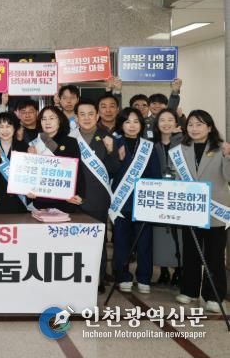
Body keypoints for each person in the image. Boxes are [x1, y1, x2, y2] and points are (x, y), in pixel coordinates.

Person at [174, 110, 230, 313]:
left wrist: (228, 157)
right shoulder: (180, 149)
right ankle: (189, 291)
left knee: (214, 255)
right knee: (191, 252)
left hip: (216, 210)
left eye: (199, 124)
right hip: (190, 210)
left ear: (209, 127)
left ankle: (213, 296)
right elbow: (177, 178)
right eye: (190, 124)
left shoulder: (221, 148)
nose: (194, 129)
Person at [111, 107, 161, 294]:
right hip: (120, 202)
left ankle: (144, 277)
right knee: (121, 242)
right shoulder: (114, 144)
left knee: (144, 243)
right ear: (121, 125)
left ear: (141, 125)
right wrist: (117, 159)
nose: (131, 126)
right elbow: (109, 172)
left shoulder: (148, 147)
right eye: (127, 122)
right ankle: (123, 276)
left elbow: (155, 175)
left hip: (143, 203)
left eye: (135, 122)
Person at [72, 100, 121, 292]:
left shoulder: (108, 138)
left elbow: (114, 169)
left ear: (97, 116)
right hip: (72, 199)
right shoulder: (69, 138)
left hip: (97, 198)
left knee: (97, 241)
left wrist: (111, 151)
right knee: (74, 240)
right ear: (76, 118)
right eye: (82, 114)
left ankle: (97, 280)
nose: (86, 118)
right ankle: (75, 278)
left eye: (90, 114)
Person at [26, 106, 84, 213]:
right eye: (44, 119)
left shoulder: (70, 142)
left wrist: (80, 194)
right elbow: (29, 173)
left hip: (65, 201)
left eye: (52, 118)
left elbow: (78, 170)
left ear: (59, 121)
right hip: (40, 201)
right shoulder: (34, 144)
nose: (47, 122)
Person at [152, 108, 183, 286]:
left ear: (176, 123)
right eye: (162, 120)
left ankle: (179, 270)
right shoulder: (152, 144)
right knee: (160, 234)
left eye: (170, 120)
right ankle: (163, 271)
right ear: (157, 124)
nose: (166, 123)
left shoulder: (184, 142)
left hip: (178, 194)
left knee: (178, 232)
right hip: (158, 195)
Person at [0, 112, 29, 214]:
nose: (5, 130)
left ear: (15, 128)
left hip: (17, 204)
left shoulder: (24, 147)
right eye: (1, 127)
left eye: (8, 126)